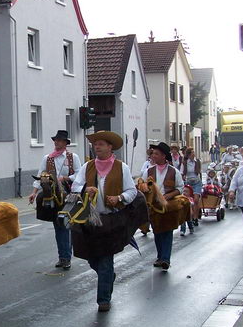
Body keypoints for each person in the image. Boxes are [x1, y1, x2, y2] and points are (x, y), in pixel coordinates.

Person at [70, 131, 139, 312]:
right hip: (90, 219)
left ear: (110, 147)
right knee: (93, 258)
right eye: (95, 144)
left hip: (112, 219)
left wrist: (120, 197)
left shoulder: (121, 167)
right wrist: (85, 189)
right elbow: (75, 186)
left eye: (101, 144)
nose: (97, 147)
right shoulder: (87, 166)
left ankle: (103, 300)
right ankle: (108, 276)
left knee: (106, 258)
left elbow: (132, 191)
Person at [28, 129, 82, 270]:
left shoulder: (72, 157)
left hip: (68, 196)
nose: (56, 142)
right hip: (53, 196)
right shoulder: (47, 158)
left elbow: (79, 175)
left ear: (65, 143)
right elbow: (40, 176)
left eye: (59, 140)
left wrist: (65, 178)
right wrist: (34, 193)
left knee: (64, 226)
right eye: (55, 140)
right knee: (58, 226)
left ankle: (66, 258)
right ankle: (62, 257)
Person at [141, 142, 184, 270]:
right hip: (153, 207)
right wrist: (144, 187)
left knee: (167, 231)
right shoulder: (148, 171)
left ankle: (165, 259)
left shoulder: (174, 171)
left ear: (163, 156)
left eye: (156, 154)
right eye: (153, 153)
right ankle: (160, 257)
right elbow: (142, 186)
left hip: (168, 206)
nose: (153, 156)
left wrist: (168, 196)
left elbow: (180, 188)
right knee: (157, 231)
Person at [180, 147, 202, 227]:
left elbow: (199, 172)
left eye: (194, 153)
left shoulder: (197, 161)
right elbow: (182, 173)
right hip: (188, 182)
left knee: (196, 200)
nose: (194, 154)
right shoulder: (185, 162)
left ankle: (195, 218)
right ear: (188, 155)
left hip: (196, 182)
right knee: (189, 201)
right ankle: (191, 215)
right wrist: (183, 179)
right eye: (192, 153)